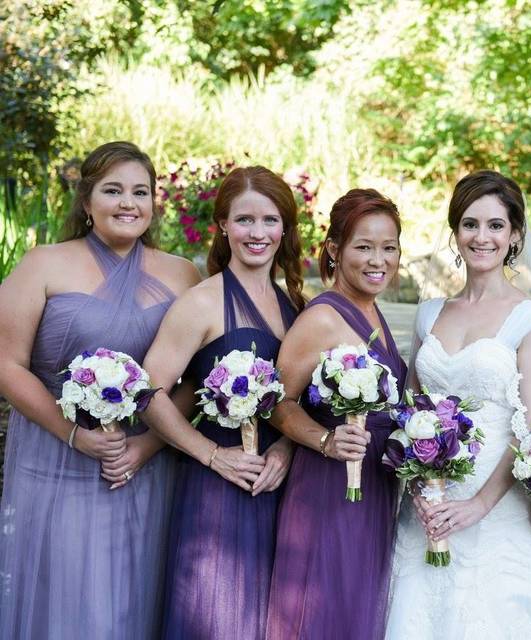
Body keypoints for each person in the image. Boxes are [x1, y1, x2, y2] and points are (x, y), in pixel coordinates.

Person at [0, 141, 200, 638]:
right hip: (55, 459)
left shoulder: (183, 273)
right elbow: (6, 364)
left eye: (141, 191)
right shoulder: (43, 263)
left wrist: (149, 444)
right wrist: (74, 434)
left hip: (145, 465)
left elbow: (196, 378)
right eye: (113, 190)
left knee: (135, 594)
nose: (128, 203)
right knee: (66, 596)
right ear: (86, 202)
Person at [385, 171, 531, 639]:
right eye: (469, 224)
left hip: (496, 504)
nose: (481, 237)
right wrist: (419, 486)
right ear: (455, 233)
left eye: (495, 226)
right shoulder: (430, 314)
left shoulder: (530, 319)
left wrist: (479, 506)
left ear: (514, 236)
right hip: (429, 504)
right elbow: (412, 409)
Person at [140, 166, 304, 639]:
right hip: (219, 493)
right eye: (245, 220)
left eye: (270, 220)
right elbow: (148, 390)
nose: (258, 233)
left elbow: (298, 399)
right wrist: (212, 456)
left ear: (285, 229)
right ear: (223, 226)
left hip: (281, 488)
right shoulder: (202, 302)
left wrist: (286, 449)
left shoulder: (294, 303)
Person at [266, 188, 408, 640]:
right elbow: (276, 402)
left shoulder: (374, 310)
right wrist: (324, 440)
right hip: (330, 491)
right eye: (363, 247)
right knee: (326, 610)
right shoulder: (323, 318)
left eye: (389, 248)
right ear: (334, 249)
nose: (377, 260)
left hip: (373, 487)